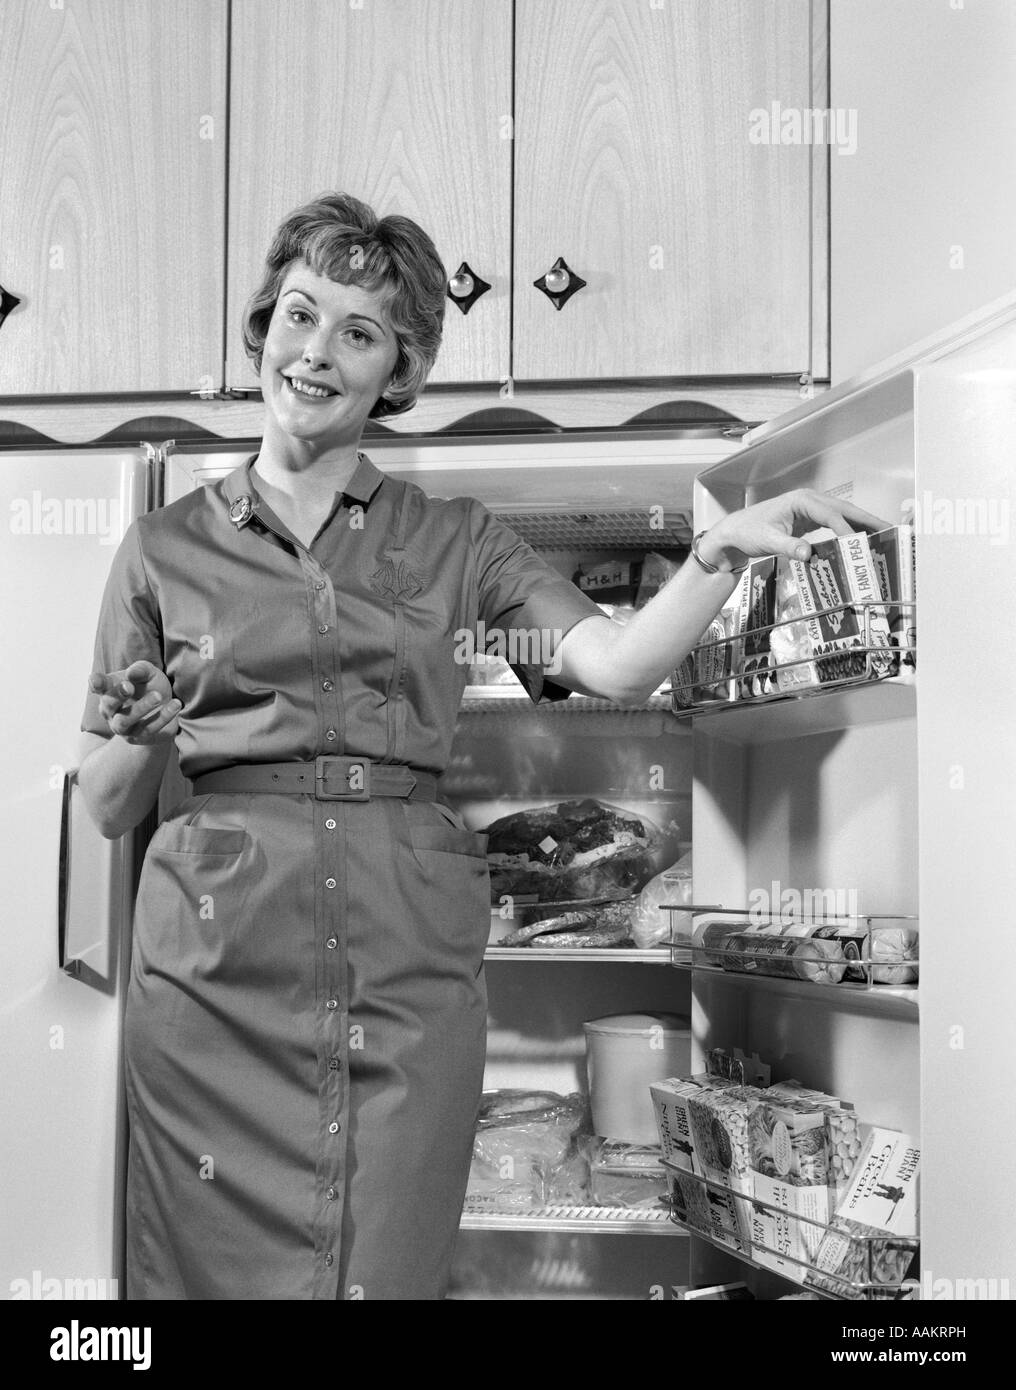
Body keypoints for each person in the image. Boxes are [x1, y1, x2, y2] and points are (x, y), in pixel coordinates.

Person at [79, 191, 886, 1300]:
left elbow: (609, 663)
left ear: (393, 373)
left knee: (386, 1257)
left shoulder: (454, 540)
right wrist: (138, 735)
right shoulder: (159, 549)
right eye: (301, 315)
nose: (316, 352)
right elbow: (110, 804)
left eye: (358, 333)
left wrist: (714, 561)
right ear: (263, 322)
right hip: (214, 966)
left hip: (402, 955)